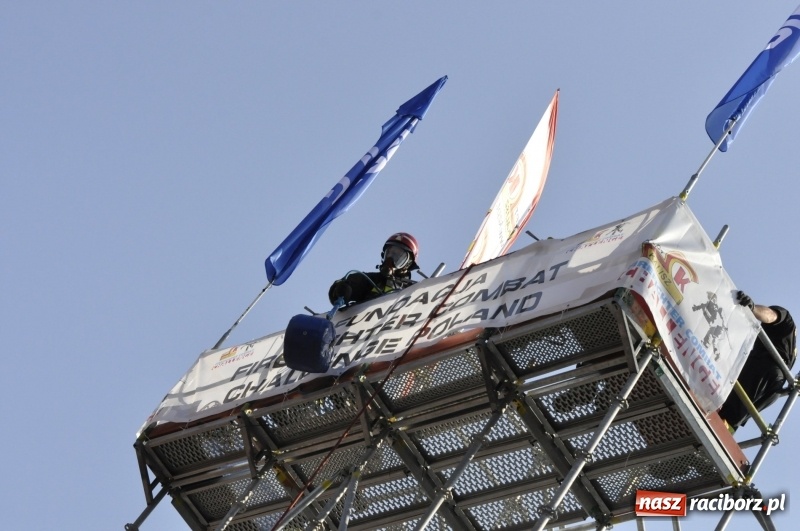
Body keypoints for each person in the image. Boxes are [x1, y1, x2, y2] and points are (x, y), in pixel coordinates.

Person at [718, 291, 797, 431]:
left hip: (764, 368)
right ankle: (724, 431)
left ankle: (719, 424)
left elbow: (771, 315)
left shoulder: (786, 320)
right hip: (774, 388)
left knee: (730, 405)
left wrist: (752, 308)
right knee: (737, 415)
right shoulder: (792, 351)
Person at [328, 232, 420, 307]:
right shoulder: (370, 280)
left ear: (408, 264)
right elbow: (351, 284)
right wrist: (341, 289)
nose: (390, 259)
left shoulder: (415, 291)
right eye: (389, 254)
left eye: (397, 257)